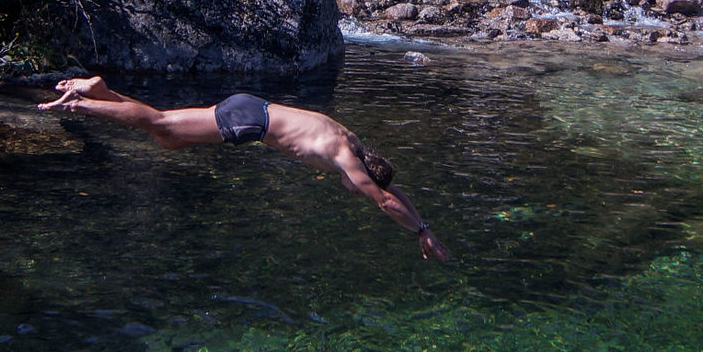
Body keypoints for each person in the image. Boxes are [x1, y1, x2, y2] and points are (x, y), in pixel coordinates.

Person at [38, 77, 450, 261]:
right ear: (361, 176)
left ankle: (101, 92)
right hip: (249, 122)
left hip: (254, 108)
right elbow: (383, 201)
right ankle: (83, 102)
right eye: (357, 187)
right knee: (161, 125)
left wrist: (425, 223)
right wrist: (419, 233)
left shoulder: (354, 142)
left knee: (167, 134)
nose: (352, 190)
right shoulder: (348, 163)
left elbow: (393, 192)